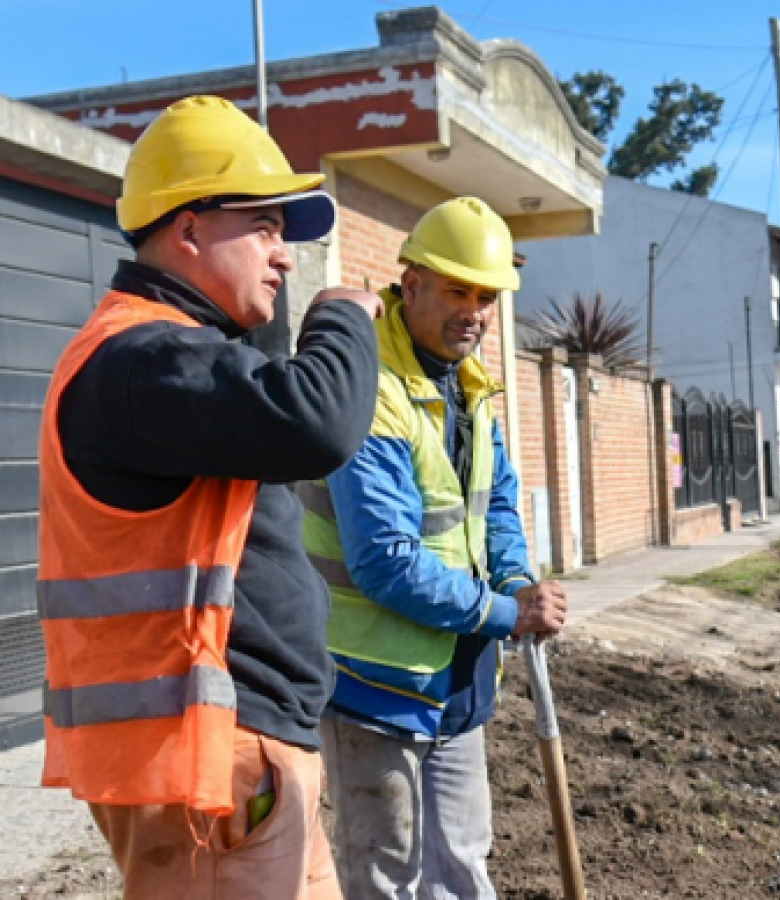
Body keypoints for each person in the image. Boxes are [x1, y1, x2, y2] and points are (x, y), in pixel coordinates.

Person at [35, 95, 383, 899]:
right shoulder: (143, 359)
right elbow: (317, 420)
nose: (287, 255)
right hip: (204, 765)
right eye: (264, 226)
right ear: (187, 229)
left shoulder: (172, 358)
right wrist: (339, 320)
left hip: (237, 760)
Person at [301, 196, 568, 899]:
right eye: (457, 290)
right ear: (410, 283)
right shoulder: (373, 390)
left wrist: (517, 581)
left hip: (456, 677)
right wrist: (509, 616)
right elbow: (385, 562)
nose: (474, 312)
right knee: (385, 875)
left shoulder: (471, 387)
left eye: (486, 297)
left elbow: (497, 504)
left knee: (462, 864)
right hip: (372, 686)